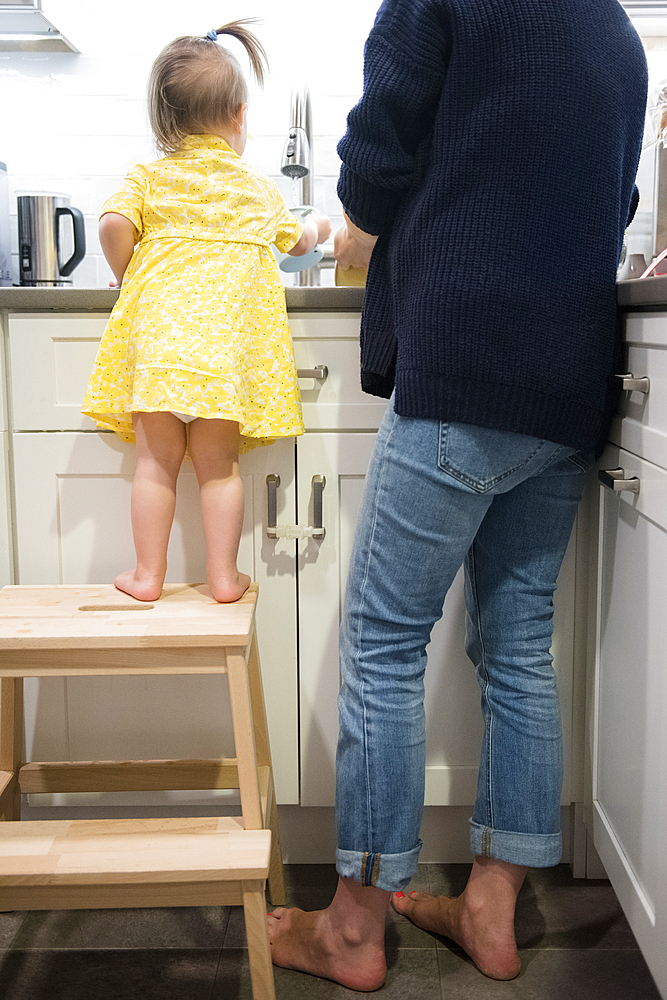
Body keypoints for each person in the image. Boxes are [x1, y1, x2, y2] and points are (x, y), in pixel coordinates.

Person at [267, 0, 647, 991]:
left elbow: (377, 158)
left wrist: (360, 225)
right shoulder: (616, 30)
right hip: (567, 376)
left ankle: (351, 929)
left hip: (469, 359)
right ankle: (490, 907)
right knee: (517, 638)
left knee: (385, 640)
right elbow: (609, 205)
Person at [82, 20, 331, 603]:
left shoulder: (150, 177)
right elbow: (297, 239)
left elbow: (114, 224)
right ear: (239, 116)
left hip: (161, 351)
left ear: (163, 120)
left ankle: (148, 577)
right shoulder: (252, 188)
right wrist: (323, 226)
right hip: (224, 355)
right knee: (217, 468)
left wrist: (127, 275)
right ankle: (223, 578)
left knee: (156, 464)